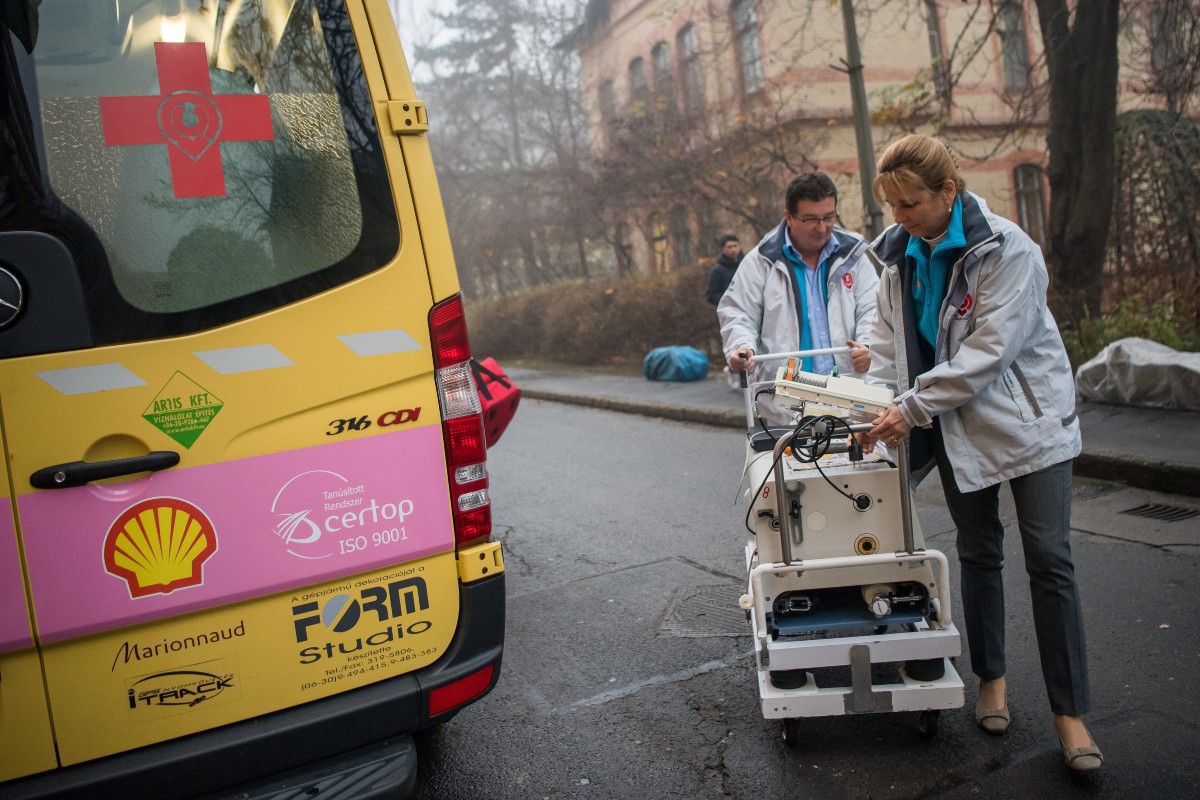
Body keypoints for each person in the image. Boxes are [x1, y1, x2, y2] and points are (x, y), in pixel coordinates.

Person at [859, 134, 1102, 773]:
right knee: (979, 553)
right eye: (890, 205)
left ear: (949, 191)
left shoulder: (1008, 250)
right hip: (953, 425)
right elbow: (890, 349)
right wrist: (873, 405)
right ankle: (991, 678)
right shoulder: (897, 261)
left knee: (1050, 560)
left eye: (910, 203)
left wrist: (909, 409)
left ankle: (1071, 716)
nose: (900, 218)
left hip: (1028, 424)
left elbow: (987, 354)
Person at [717, 172, 877, 412]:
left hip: (848, 396)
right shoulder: (760, 262)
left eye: (829, 217)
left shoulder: (853, 255)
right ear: (789, 217)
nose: (822, 228)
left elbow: (873, 308)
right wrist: (742, 347)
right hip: (785, 403)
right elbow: (739, 313)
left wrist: (867, 344)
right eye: (811, 219)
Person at [706, 234, 743, 306]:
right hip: (730, 312)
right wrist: (729, 303)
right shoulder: (718, 270)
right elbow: (712, 295)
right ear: (723, 250)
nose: (733, 249)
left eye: (735, 246)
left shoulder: (746, 265)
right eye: (729, 247)